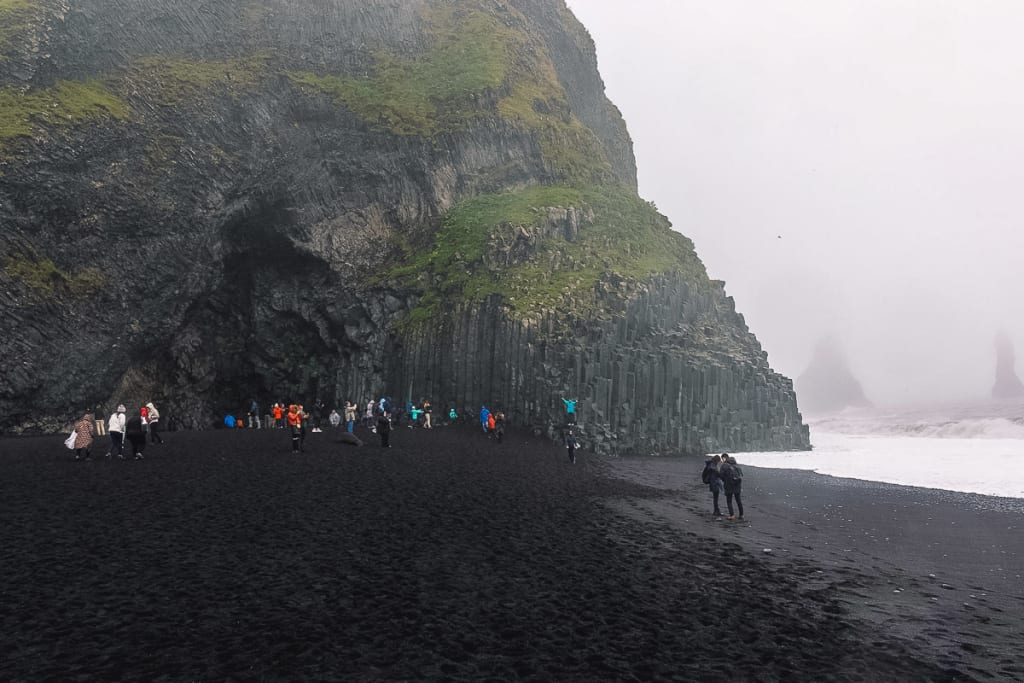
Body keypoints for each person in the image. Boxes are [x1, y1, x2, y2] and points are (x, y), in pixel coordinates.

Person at [719, 454, 745, 520]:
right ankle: (741, 515)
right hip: (737, 485)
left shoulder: (724, 465)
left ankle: (732, 515)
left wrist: (725, 480)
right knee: (738, 500)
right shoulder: (737, 466)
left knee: (729, 501)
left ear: (724, 458)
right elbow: (741, 475)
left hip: (728, 485)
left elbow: (721, 475)